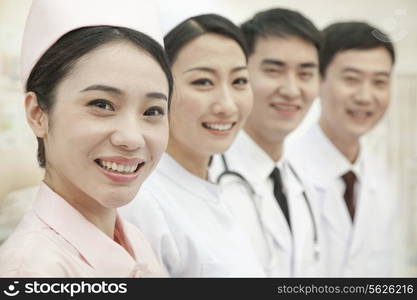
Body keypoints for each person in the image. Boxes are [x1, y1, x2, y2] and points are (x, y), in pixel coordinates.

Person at [0, 0, 173, 277]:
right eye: (102, 104)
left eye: (152, 111)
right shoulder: (30, 271)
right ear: (37, 114)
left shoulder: (135, 241)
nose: (131, 138)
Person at [120, 14, 264, 277]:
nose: (227, 105)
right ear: (160, 88)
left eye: (239, 81)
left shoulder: (229, 190)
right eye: (203, 82)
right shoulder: (141, 203)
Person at [210, 8, 322, 277]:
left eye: (305, 74)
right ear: (239, 75)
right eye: (274, 70)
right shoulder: (209, 178)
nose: (291, 90)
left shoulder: (302, 182)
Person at [286, 22, 397, 277]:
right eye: (351, 79)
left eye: (379, 82)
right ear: (318, 81)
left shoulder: (381, 178)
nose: (365, 97)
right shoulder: (287, 170)